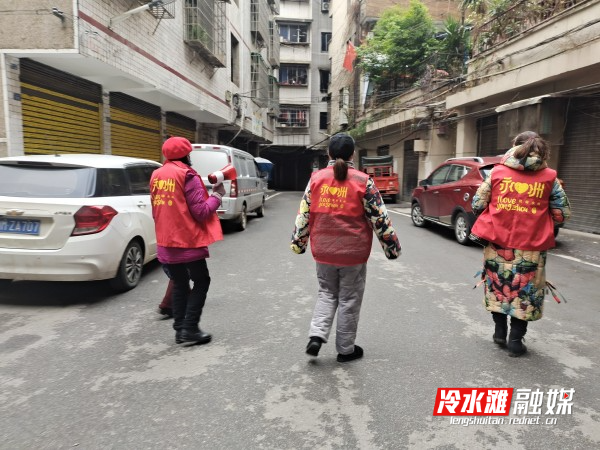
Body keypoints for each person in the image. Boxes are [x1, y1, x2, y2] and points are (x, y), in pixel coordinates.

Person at [291, 133, 401, 362]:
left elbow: (304, 215)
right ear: (353, 154)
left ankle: (316, 335)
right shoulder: (363, 181)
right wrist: (391, 248)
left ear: (328, 153)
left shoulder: (316, 179)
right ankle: (345, 349)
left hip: (323, 252)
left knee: (326, 293)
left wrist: (298, 243)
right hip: (354, 255)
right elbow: (380, 218)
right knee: (349, 299)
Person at [471, 131, 571, 357]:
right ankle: (515, 341)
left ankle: (499, 332)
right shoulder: (550, 178)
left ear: (514, 146)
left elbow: (477, 204)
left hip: (497, 245)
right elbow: (562, 214)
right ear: (542, 151)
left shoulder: (497, 172)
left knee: (498, 286)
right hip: (532, 248)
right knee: (525, 291)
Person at [150, 136, 225, 345]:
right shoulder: (187, 175)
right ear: (186, 155)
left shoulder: (156, 174)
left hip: (166, 240)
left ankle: (179, 330)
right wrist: (217, 196)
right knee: (202, 281)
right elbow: (201, 212)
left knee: (180, 283)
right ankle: (190, 328)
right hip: (186, 240)